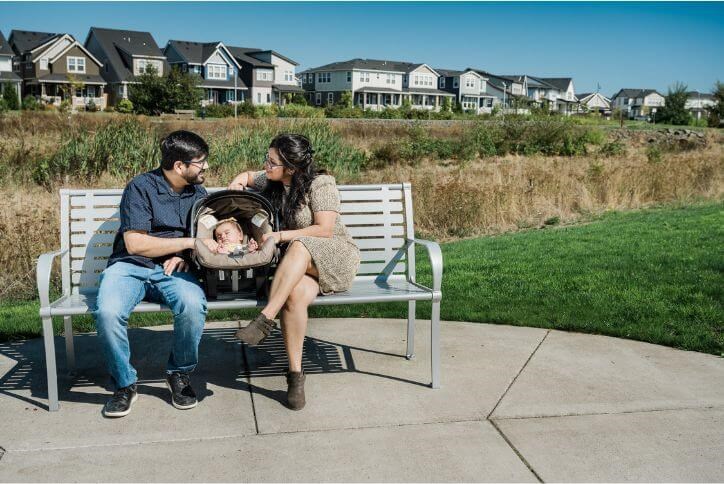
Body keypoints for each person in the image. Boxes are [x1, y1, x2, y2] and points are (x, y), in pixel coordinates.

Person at [228, 133, 360, 410]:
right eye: (267, 158)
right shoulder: (274, 180)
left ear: (291, 167)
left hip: (335, 254)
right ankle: (295, 375)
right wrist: (238, 182)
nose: (266, 164)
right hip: (300, 265)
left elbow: (323, 230)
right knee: (294, 297)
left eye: (272, 161)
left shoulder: (321, 184)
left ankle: (265, 319)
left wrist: (279, 236)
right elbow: (248, 176)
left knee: (299, 244)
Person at [93, 130, 219, 418]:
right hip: (129, 266)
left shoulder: (198, 194)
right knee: (108, 312)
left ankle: (179, 374)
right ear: (179, 166)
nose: (206, 168)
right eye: (200, 162)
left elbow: (207, 236)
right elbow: (135, 243)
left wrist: (185, 254)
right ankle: (124, 384)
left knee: (191, 305)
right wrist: (187, 244)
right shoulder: (139, 188)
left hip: (172, 269)